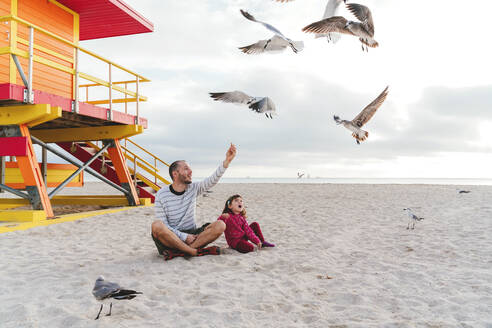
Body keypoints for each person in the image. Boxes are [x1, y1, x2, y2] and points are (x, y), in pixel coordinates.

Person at [151, 143, 236, 260]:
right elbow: (163, 224)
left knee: (220, 225)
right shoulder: (162, 194)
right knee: (157, 225)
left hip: (193, 235)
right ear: (175, 174)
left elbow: (212, 180)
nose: (191, 172)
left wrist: (227, 162)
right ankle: (191, 251)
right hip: (171, 237)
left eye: (190, 169)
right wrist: (184, 236)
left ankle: (182, 252)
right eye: (186, 169)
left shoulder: (193, 188)